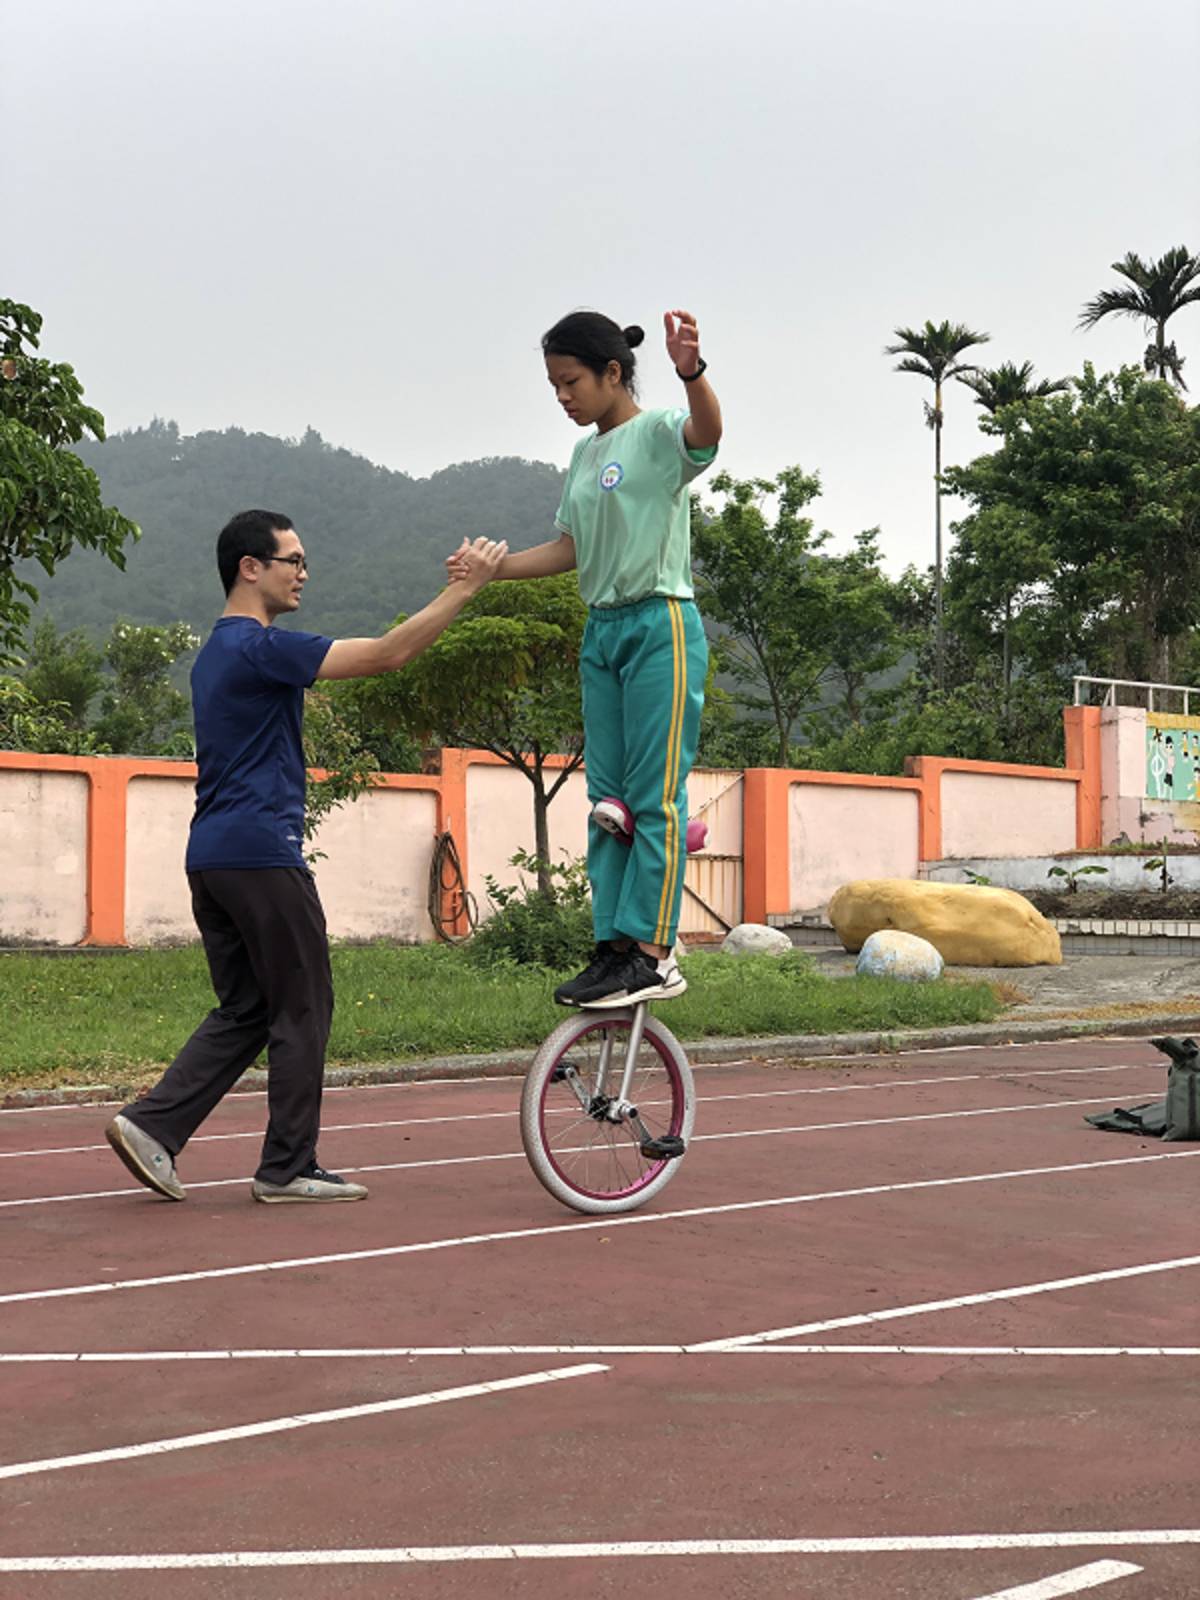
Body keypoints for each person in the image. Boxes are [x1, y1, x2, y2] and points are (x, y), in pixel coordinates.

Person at [105, 510, 507, 1205]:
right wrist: (464, 591)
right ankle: (288, 1167)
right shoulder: (260, 647)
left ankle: (152, 1127)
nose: (304, 573)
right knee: (305, 1005)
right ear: (249, 567)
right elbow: (386, 655)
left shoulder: (214, 655)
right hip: (263, 854)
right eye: (292, 560)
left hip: (212, 857)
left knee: (249, 1006)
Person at [450, 308, 721, 1008]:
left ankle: (653, 953)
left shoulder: (660, 431)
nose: (563, 396)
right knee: (608, 802)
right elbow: (571, 549)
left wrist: (692, 371)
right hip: (601, 630)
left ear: (612, 372)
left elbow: (708, 434)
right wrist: (491, 569)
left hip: (660, 620)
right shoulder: (582, 456)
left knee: (654, 795)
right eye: (553, 386)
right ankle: (611, 947)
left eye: (570, 381)